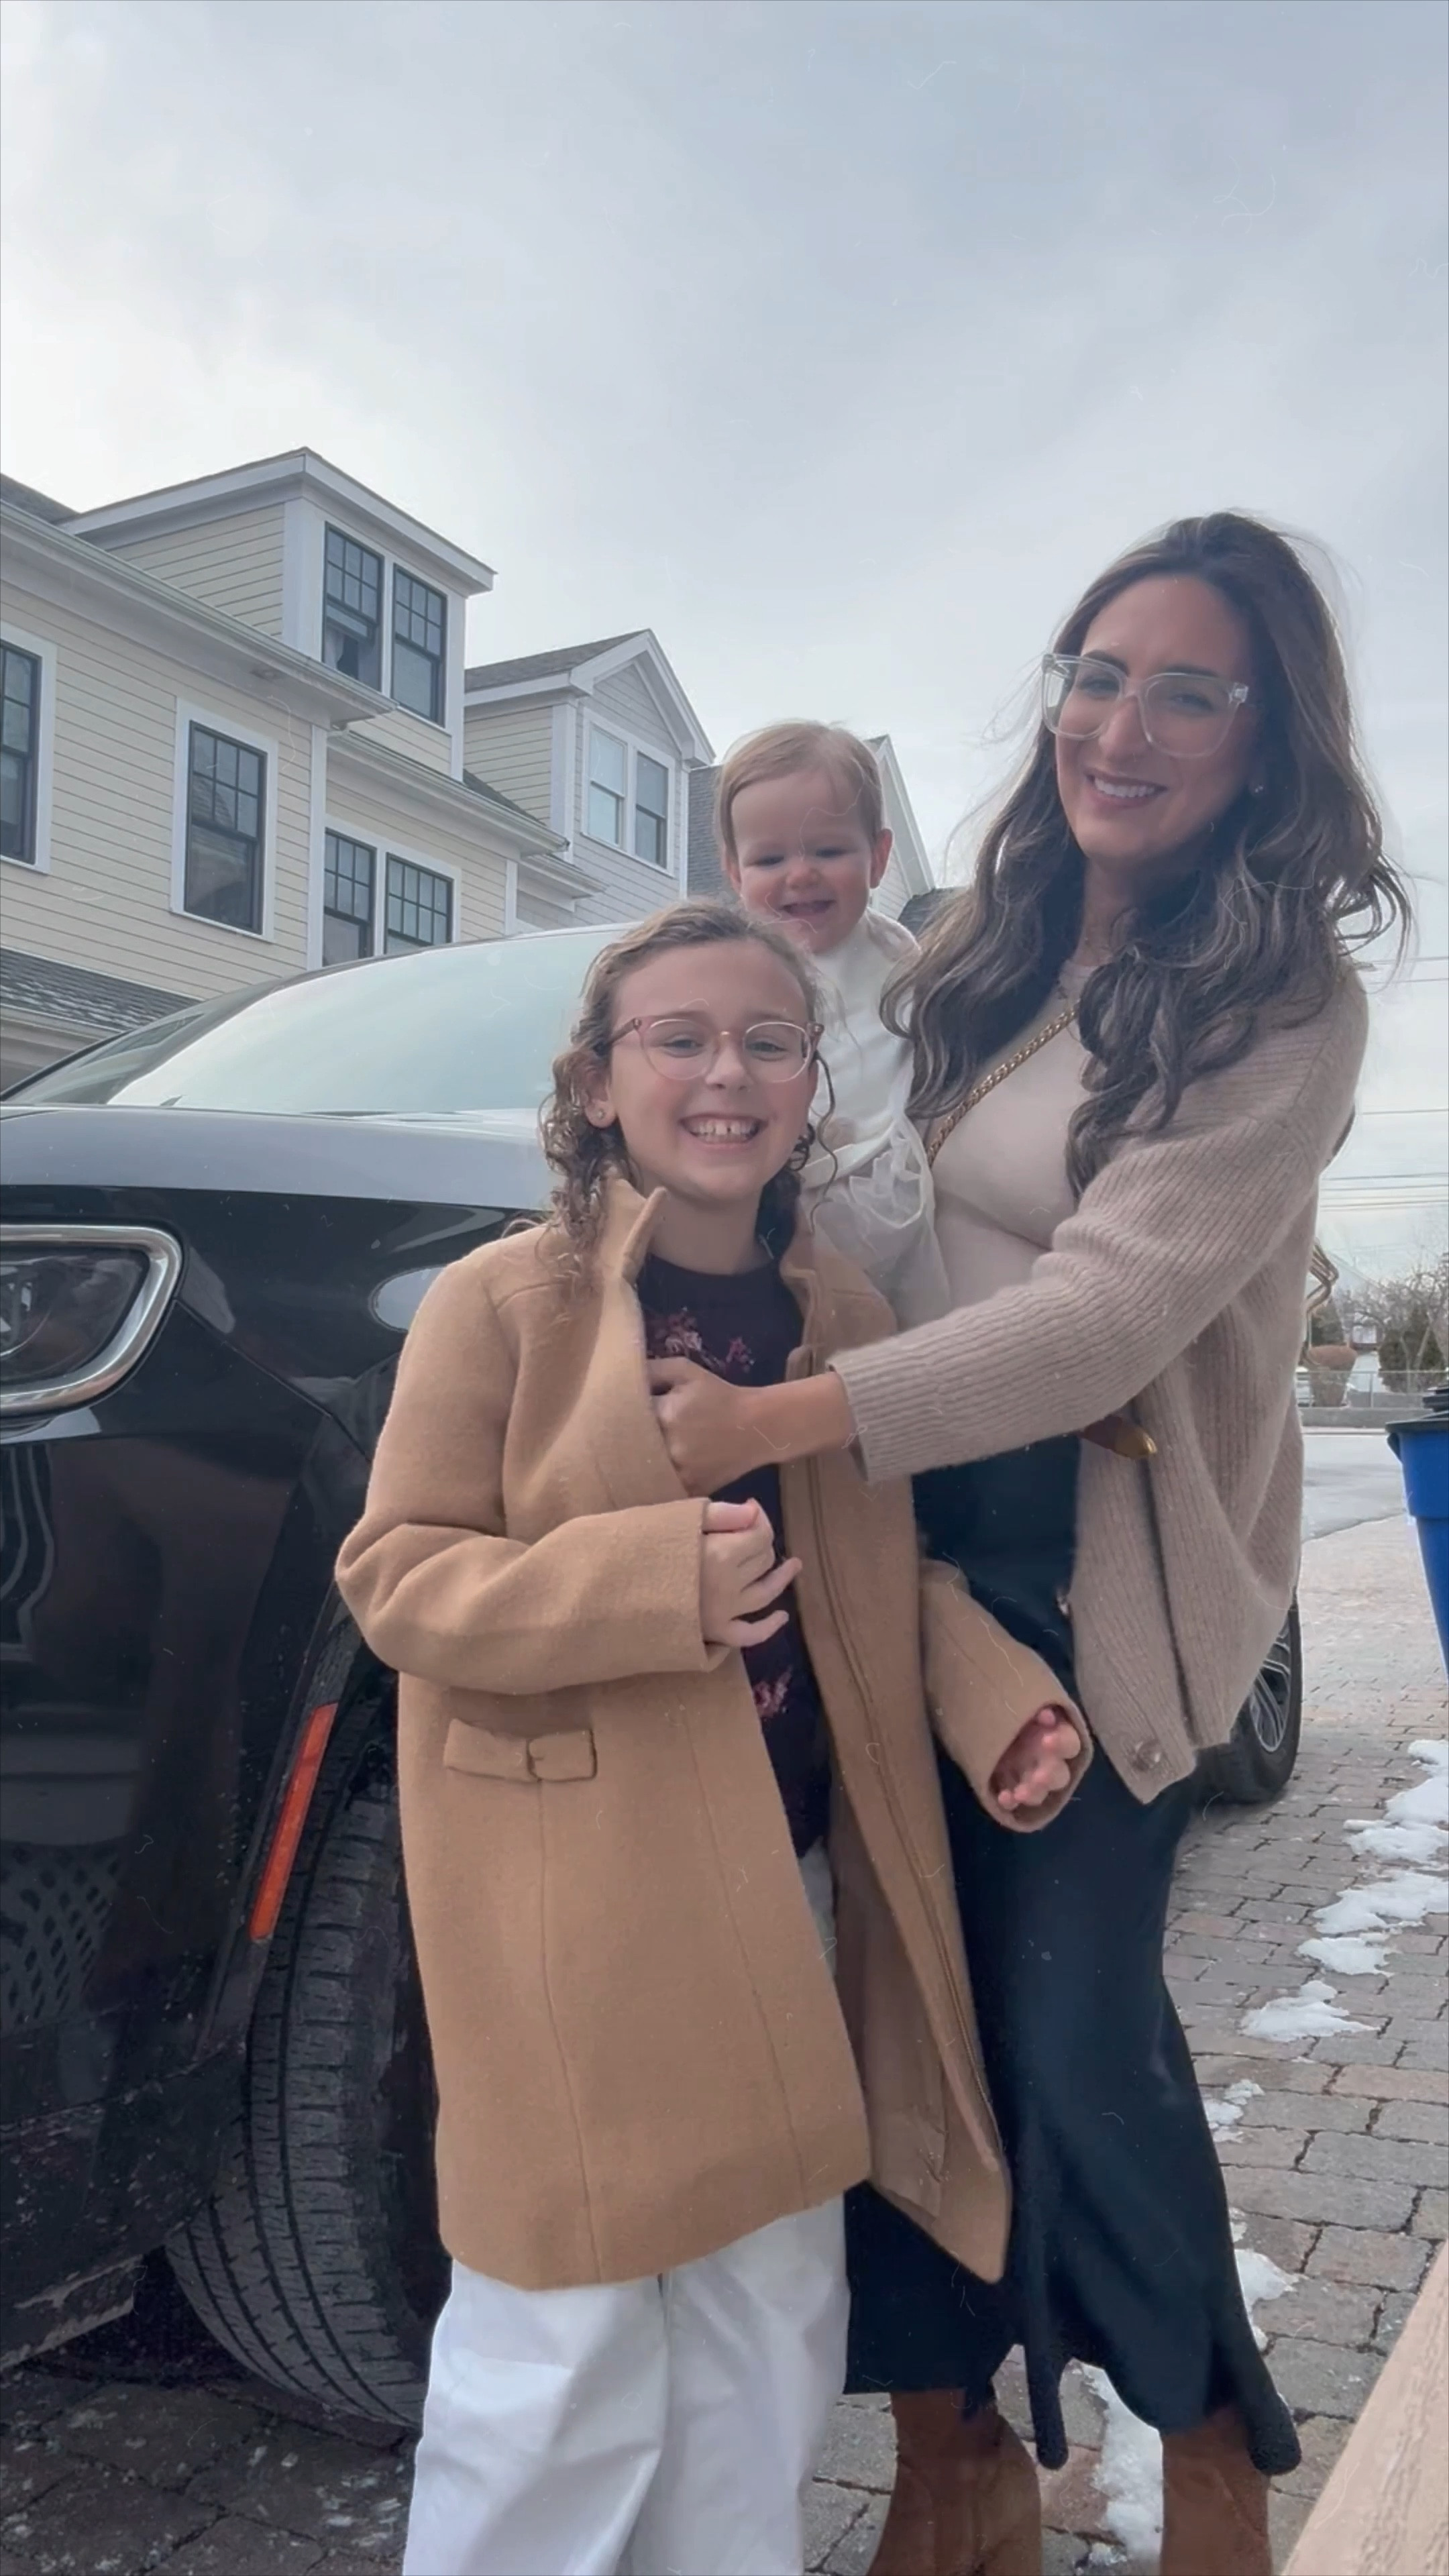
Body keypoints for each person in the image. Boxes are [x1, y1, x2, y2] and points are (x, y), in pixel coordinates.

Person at [647, 517, 1412, 2576]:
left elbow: (1105, 1312)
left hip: (1099, 1560)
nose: (1120, 722)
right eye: (1095, 671)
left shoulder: (1276, 1002)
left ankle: (1216, 2458)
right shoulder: (970, 949)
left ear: (1268, 746)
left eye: (1188, 688)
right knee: (897, 2008)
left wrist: (779, 1414)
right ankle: (951, 2452)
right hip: (893, 1544)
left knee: (1072, 2031)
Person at [335, 900, 1083, 2576]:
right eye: (677, 1037)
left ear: (815, 1085)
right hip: (573, 1901)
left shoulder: (840, 1321)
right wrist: (642, 1577)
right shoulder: (503, 1305)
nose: (724, 1071)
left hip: (790, 1887)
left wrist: (995, 1705)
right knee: (562, 2333)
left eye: (767, 1038)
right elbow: (396, 1576)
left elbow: (873, 1582)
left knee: (769, 2314)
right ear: (599, 1081)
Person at [717, 720, 952, 1325]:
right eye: (770, 858)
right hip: (758, 1205)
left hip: (887, 1211)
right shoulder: (722, 973)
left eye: (827, 851)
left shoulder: (906, 967)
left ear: (878, 857)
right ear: (735, 873)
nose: (800, 875)